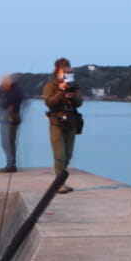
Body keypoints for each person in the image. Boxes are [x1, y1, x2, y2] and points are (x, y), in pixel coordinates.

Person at [42, 58, 83, 193]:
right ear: (57, 71)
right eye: (63, 71)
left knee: (68, 155)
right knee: (59, 155)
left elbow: (79, 103)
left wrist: (71, 96)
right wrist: (60, 91)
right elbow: (50, 102)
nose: (65, 74)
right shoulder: (51, 86)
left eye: (68, 71)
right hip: (57, 122)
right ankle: (58, 184)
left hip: (71, 122)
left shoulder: (73, 85)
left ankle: (61, 182)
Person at [0, 74, 24, 173]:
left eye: (3, 83)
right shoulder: (12, 90)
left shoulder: (15, 91)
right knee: (8, 143)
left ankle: (11, 165)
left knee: (8, 142)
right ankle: (10, 163)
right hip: (8, 119)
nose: (2, 86)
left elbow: (7, 102)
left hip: (10, 120)